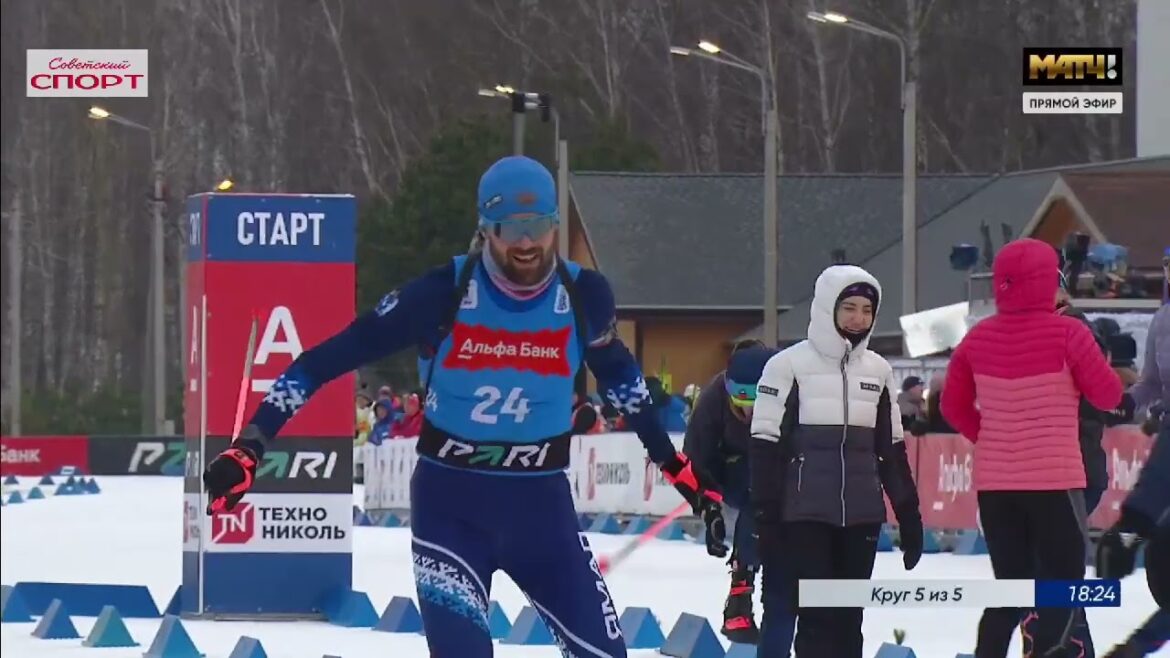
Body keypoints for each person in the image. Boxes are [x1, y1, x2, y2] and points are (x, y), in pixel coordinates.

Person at [201, 155, 726, 658]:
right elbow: (320, 362)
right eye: (510, 227)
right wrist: (250, 447)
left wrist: (673, 463)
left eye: (538, 226)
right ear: (486, 228)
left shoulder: (585, 294)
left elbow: (620, 378)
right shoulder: (441, 294)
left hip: (541, 511)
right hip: (452, 509)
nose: (526, 243)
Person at [940, 238, 1123, 658]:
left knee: (1010, 587)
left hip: (996, 485)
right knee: (1062, 585)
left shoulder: (977, 338)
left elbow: (951, 405)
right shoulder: (1068, 332)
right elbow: (1109, 395)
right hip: (1054, 480)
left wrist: (987, 435)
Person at [750, 264, 923, 658]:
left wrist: (909, 516)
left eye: (866, 309)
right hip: (804, 518)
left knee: (849, 620)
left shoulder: (878, 371)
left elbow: (892, 450)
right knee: (816, 620)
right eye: (849, 307)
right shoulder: (787, 366)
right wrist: (766, 517)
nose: (858, 317)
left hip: (861, 517)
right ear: (828, 306)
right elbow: (765, 443)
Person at [683, 343, 797, 650]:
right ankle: (741, 588)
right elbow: (694, 460)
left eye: (757, 402)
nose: (748, 412)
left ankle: (743, 586)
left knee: (759, 484)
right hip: (730, 471)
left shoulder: (794, 397)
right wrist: (708, 510)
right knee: (750, 481)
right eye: (740, 399)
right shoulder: (713, 399)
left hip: (779, 474)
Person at [1096, 251, 1169, 658]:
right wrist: (1124, 404)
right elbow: (1152, 385)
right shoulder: (1163, 320)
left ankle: (1136, 648)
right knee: (1150, 533)